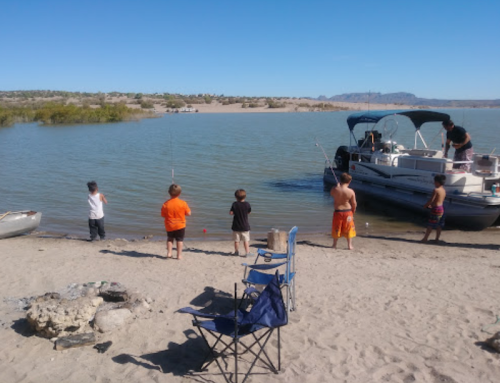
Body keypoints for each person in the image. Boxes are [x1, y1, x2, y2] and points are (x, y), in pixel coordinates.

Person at [161, 184, 191, 260]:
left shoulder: (165, 204)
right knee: (180, 240)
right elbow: (188, 213)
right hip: (180, 225)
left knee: (170, 239)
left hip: (169, 225)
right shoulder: (183, 203)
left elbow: (163, 215)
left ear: (169, 192)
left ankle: (169, 253)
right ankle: (179, 255)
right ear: (179, 193)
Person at [330, 173, 357, 250]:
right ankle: (349, 245)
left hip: (338, 211)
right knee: (349, 228)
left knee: (336, 227)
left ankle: (334, 244)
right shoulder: (351, 191)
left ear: (340, 180)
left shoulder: (335, 189)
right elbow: (354, 203)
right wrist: (353, 210)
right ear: (349, 181)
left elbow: (331, 194)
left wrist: (337, 186)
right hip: (348, 211)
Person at [421, 174, 447, 242]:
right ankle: (437, 238)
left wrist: (425, 206)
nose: (434, 183)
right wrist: (432, 205)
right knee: (439, 225)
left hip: (436, 209)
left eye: (434, 182)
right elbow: (438, 200)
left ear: (437, 182)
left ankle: (425, 238)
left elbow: (431, 200)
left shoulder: (436, 190)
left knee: (431, 224)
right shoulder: (443, 190)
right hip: (442, 208)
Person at [230, 189, 252, 256]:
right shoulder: (247, 204)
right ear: (245, 197)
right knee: (246, 240)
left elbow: (231, 213)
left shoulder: (234, 204)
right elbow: (249, 212)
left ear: (236, 197)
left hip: (236, 225)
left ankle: (236, 252)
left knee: (237, 240)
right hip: (245, 226)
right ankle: (247, 253)